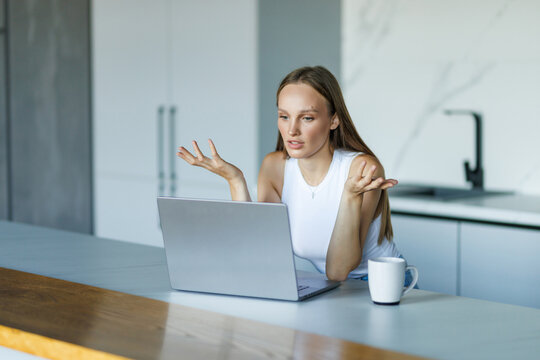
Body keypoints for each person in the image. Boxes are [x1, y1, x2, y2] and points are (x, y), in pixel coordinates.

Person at [177, 65, 407, 283]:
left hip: (382, 284)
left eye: (307, 118)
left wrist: (349, 196)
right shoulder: (274, 166)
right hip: (334, 288)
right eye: (284, 116)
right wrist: (235, 180)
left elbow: (338, 270)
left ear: (333, 120)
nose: (292, 130)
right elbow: (258, 250)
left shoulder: (360, 169)